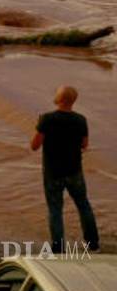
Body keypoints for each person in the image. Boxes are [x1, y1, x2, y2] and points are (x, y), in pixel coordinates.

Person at [30, 85, 100, 253]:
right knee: (83, 205)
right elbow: (84, 144)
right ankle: (92, 244)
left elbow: (34, 145)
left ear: (59, 99)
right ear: (73, 101)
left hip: (53, 172)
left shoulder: (46, 119)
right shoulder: (81, 120)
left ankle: (58, 248)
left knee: (55, 210)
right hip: (74, 170)